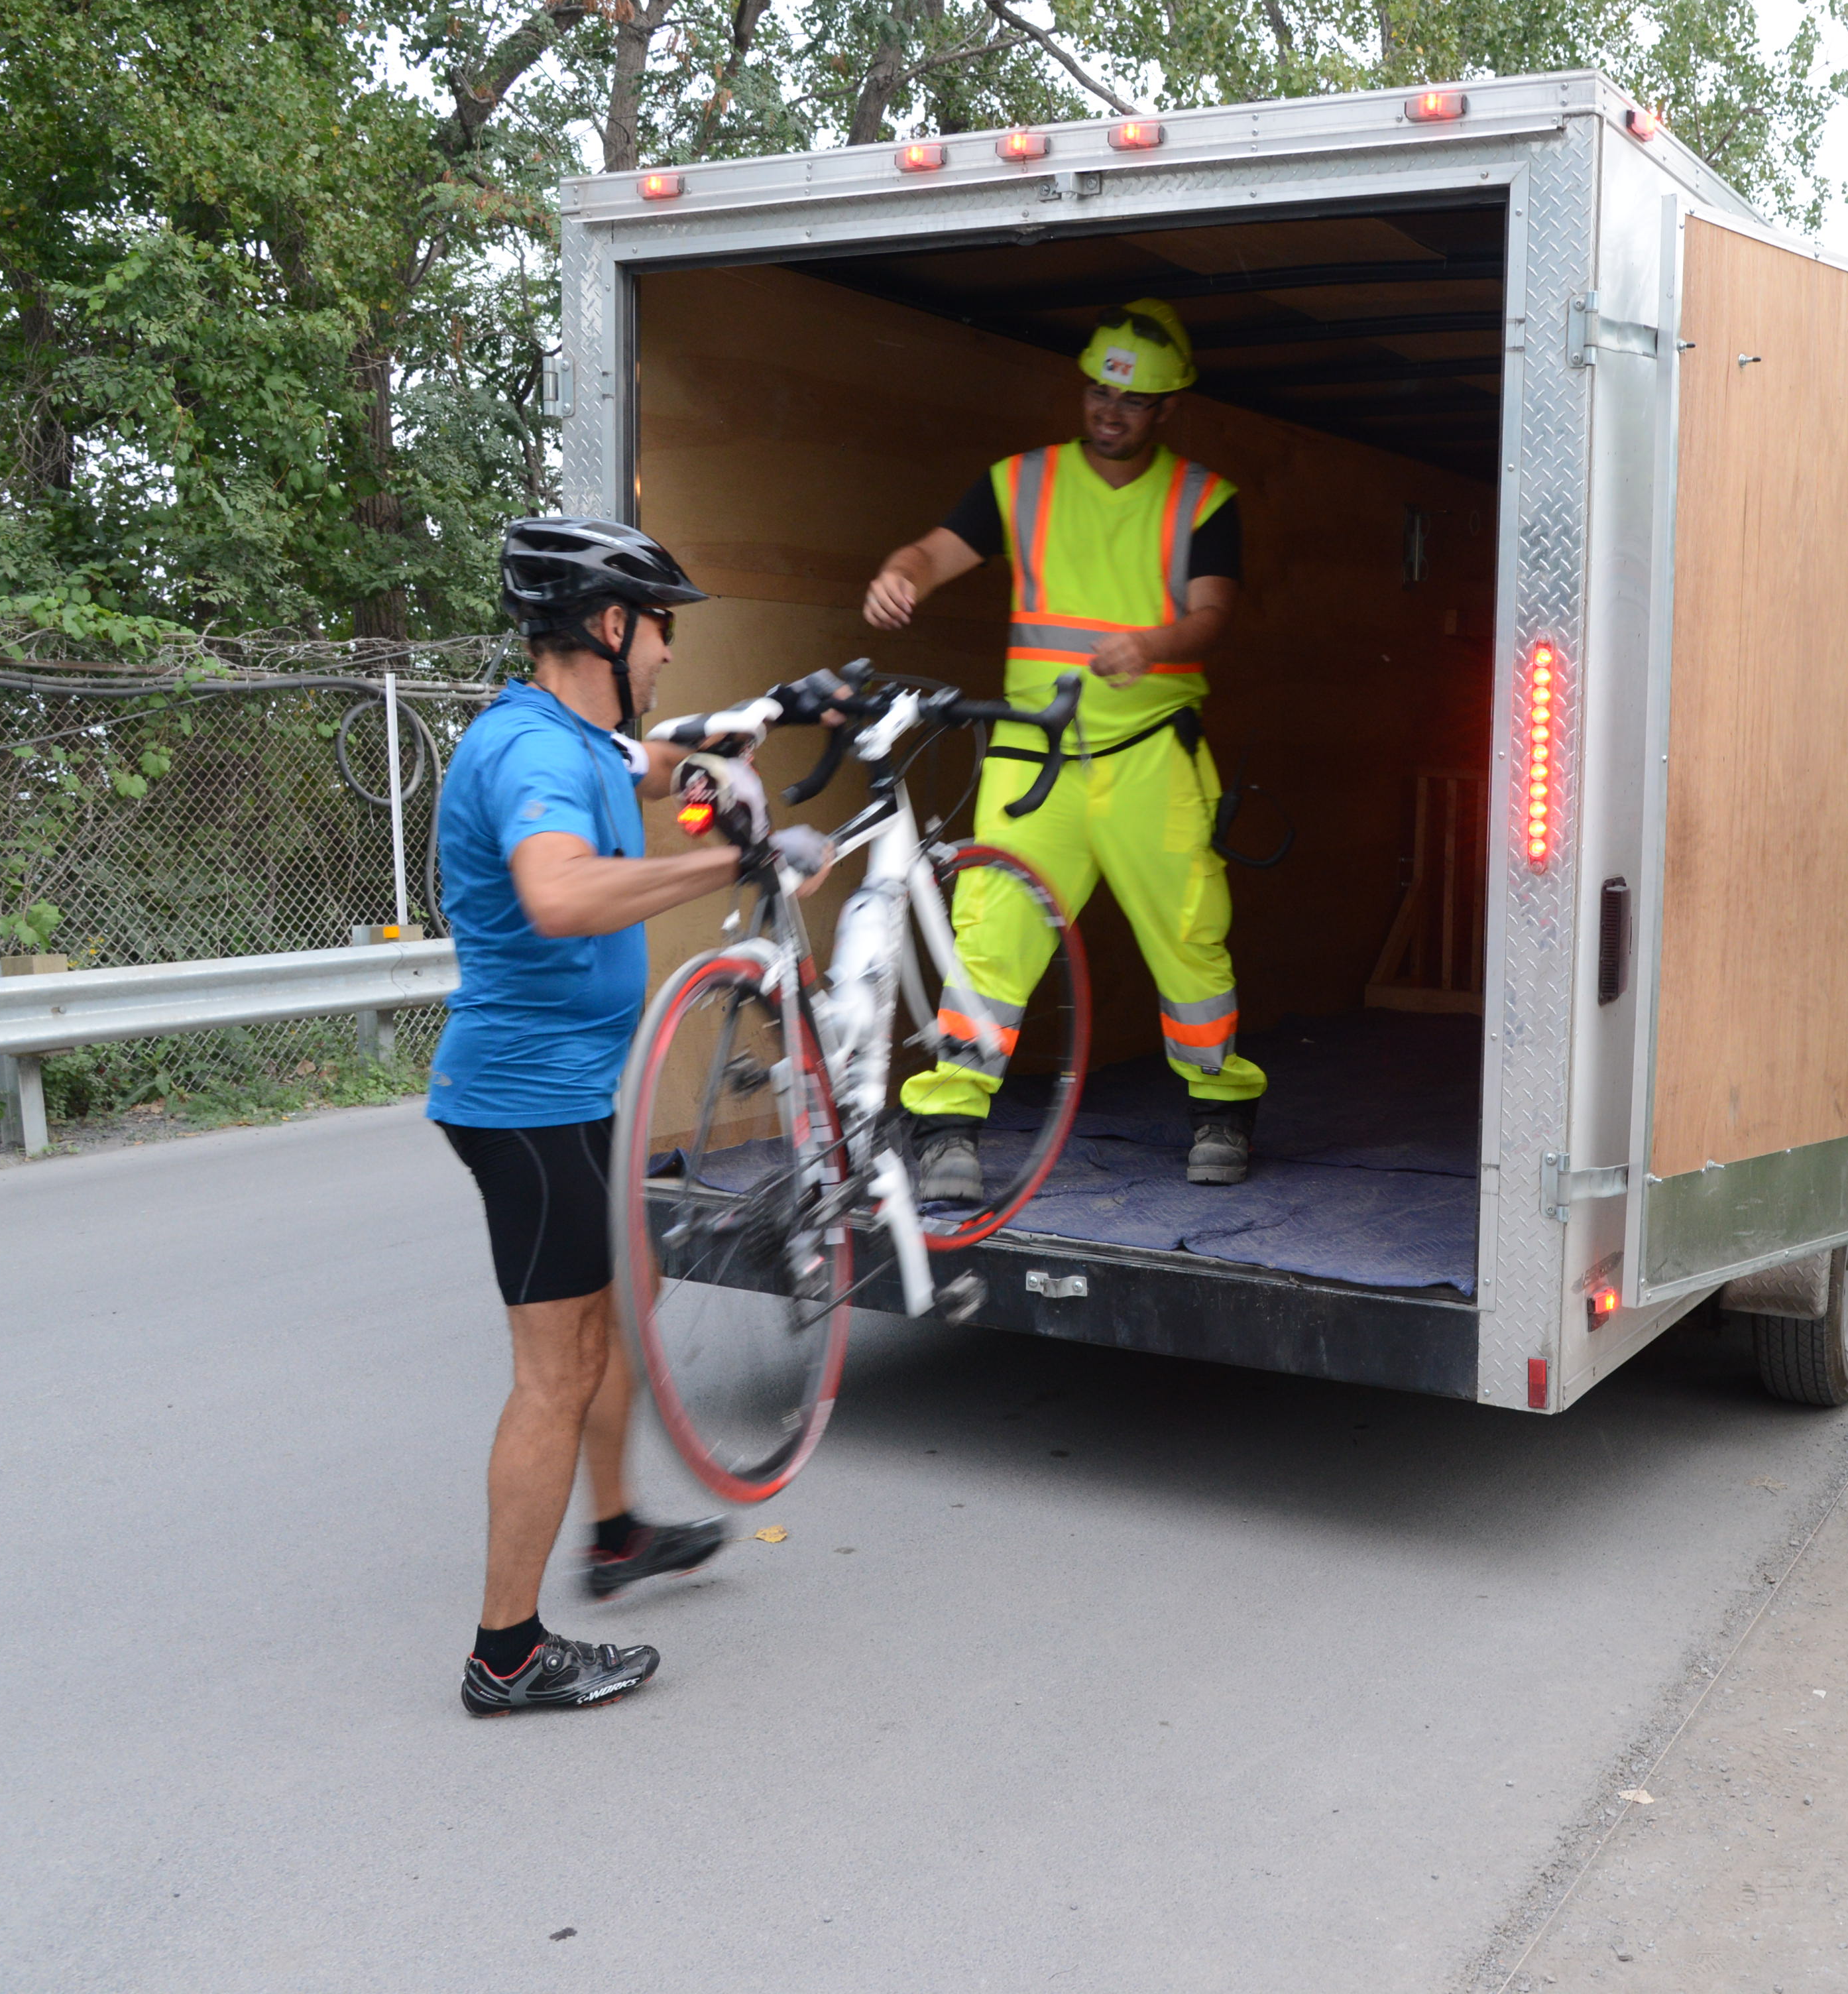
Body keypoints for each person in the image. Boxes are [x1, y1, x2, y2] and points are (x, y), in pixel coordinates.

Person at [433, 516, 831, 1716]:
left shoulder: (577, 737)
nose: (666, 653)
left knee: (623, 1304)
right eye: (662, 629)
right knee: (555, 1371)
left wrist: (713, 754)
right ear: (610, 627)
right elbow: (556, 894)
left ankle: (614, 1533)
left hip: (558, 1096)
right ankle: (506, 1656)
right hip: (526, 1108)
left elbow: (648, 761)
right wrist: (738, 866)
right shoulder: (538, 757)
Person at [862, 297, 1265, 1195]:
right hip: (1032, 754)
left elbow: (1213, 616)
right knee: (991, 939)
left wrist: (1153, 646)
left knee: (1188, 941)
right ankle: (950, 1126)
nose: (1108, 412)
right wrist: (900, 575)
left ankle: (1220, 1109)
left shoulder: (1204, 499)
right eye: (1095, 393)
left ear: (1167, 409)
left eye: (1130, 402)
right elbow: (933, 551)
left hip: (1150, 753)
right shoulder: (1021, 483)